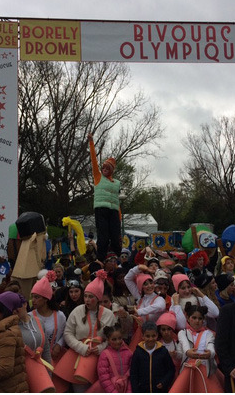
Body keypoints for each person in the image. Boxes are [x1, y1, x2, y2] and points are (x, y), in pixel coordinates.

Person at [54, 269, 117, 392]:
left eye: (91, 297)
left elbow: (113, 337)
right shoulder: (77, 311)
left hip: (101, 359)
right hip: (78, 358)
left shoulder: (109, 315)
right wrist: (81, 347)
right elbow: (68, 333)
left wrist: (101, 348)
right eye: (86, 296)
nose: (87, 300)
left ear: (98, 298)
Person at [170, 302, 224, 393]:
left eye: (200, 318)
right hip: (188, 370)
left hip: (204, 369)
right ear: (188, 318)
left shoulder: (208, 333)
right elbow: (182, 350)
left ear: (203, 320)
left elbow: (211, 346)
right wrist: (176, 354)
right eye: (194, 318)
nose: (197, 321)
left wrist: (210, 353)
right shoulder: (183, 333)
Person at [88, 132, 122, 262]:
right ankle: (100, 260)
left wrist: (119, 216)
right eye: (104, 167)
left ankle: (117, 258)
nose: (104, 169)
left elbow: (117, 200)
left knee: (115, 236)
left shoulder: (117, 183)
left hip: (113, 211)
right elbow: (93, 160)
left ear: (112, 170)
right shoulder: (98, 176)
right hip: (101, 210)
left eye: (108, 168)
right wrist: (91, 143)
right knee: (103, 236)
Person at [13, 291, 53, 390]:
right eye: (12, 308)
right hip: (22, 373)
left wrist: (49, 374)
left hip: (40, 371)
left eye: (17, 306)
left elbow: (46, 349)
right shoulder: (13, 326)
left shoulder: (38, 321)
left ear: (25, 304)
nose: (15, 310)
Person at [124, 263, 167, 350]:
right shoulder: (140, 297)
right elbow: (127, 279)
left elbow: (160, 306)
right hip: (141, 336)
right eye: (145, 284)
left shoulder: (159, 299)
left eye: (151, 282)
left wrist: (139, 311)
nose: (149, 286)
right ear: (141, 287)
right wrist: (139, 267)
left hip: (156, 337)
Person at [30, 270, 67, 365]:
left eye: (37, 297)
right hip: (35, 360)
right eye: (32, 297)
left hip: (55, 359)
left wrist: (59, 345)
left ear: (46, 299)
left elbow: (65, 333)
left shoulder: (59, 316)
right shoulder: (29, 316)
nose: (33, 300)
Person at [130, 320, 176, 393]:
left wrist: (164, 382)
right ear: (143, 336)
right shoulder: (138, 352)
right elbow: (133, 374)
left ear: (157, 335)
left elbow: (171, 370)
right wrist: (135, 390)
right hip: (142, 390)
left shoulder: (163, 351)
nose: (151, 339)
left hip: (160, 390)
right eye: (147, 336)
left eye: (153, 336)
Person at [91, 323, 133, 393]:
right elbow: (104, 378)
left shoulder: (129, 352)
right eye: (114, 339)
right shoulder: (105, 354)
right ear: (108, 340)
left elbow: (132, 374)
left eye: (120, 338)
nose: (118, 341)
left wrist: (129, 391)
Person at [156, 311, 182, 378]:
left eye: (169, 329)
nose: (166, 332)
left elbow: (182, 356)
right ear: (159, 330)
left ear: (173, 329)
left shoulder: (178, 342)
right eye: (163, 330)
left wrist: (175, 354)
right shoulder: (157, 344)